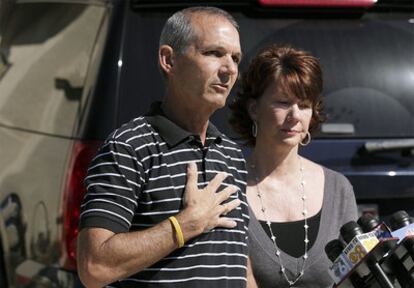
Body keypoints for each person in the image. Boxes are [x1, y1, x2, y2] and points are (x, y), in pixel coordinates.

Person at [77, 7, 254, 288]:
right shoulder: (128, 147)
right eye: (214, 53)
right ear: (169, 59)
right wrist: (186, 224)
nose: (229, 69)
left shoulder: (231, 155)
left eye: (235, 58)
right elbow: (94, 266)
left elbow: (237, 262)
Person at [229, 45, 358, 287]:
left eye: (305, 105)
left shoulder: (339, 188)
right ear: (254, 109)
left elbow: (352, 278)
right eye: (283, 102)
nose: (295, 115)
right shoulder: (229, 188)